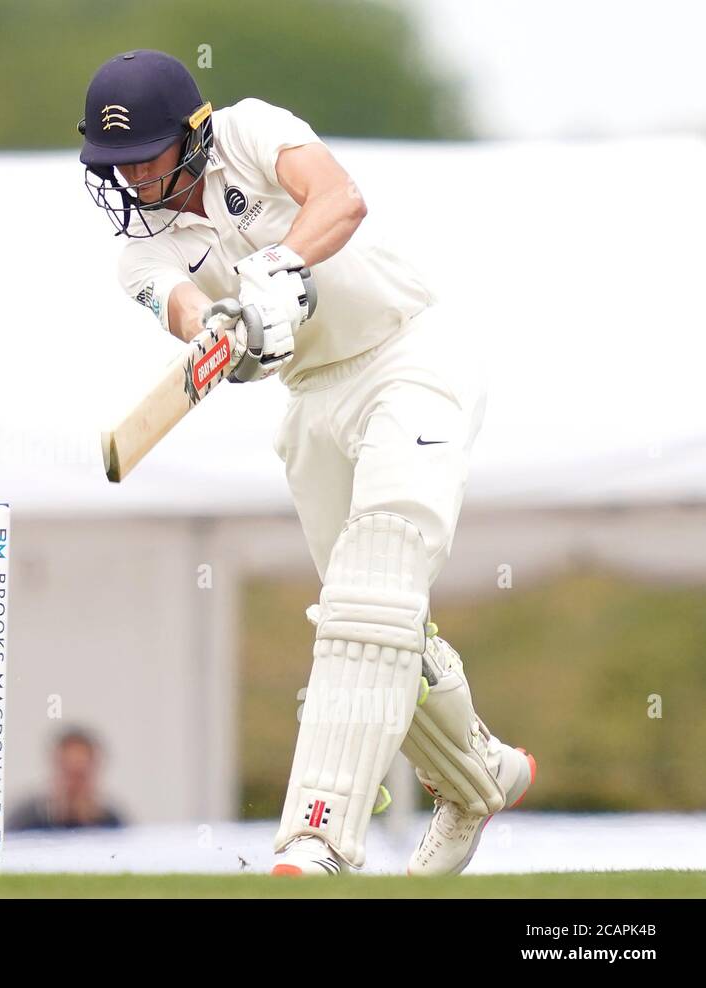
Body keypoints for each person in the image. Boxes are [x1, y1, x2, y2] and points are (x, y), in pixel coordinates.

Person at [77, 50, 535, 876]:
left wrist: (277, 267)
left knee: (379, 579)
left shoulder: (251, 131)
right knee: (379, 620)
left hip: (409, 353)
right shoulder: (137, 257)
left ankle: (320, 834)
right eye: (116, 166)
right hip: (315, 402)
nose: (135, 179)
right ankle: (477, 777)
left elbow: (340, 198)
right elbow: (189, 317)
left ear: (191, 134)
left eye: (145, 155)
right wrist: (231, 328)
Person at [9, 728, 124, 831]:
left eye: (80, 775)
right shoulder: (25, 821)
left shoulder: (113, 824)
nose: (74, 785)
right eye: (68, 773)